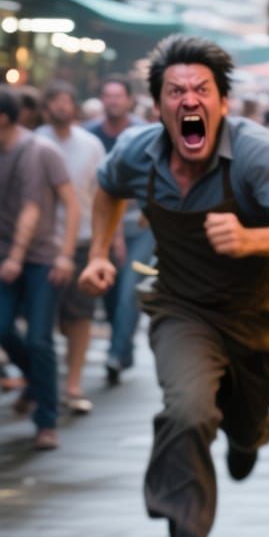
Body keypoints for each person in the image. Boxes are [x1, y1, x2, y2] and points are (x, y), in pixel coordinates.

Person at [79, 35, 269, 537]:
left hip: (256, 317)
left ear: (222, 102)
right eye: (176, 91)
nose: (188, 99)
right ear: (159, 106)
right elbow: (105, 187)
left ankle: (247, 435)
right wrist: (99, 253)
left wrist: (252, 237)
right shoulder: (138, 152)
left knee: (242, 426)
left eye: (201, 90)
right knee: (188, 411)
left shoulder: (257, 154)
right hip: (182, 310)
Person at [0, 89, 79, 450]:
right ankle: (37, 380)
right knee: (2, 327)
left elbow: (70, 205)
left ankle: (46, 421)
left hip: (41, 258)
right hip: (5, 260)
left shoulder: (40, 151)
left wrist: (65, 254)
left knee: (39, 339)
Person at [37, 82, 105, 414]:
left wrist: (109, 240)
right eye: (55, 101)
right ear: (46, 107)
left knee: (79, 316)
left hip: (82, 240)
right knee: (41, 320)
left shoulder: (91, 145)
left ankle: (73, 383)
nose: (62, 107)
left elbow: (104, 194)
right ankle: (41, 381)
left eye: (67, 101)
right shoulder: (35, 142)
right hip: (42, 244)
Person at [86, 77, 154, 385]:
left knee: (129, 289)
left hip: (140, 227)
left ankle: (116, 353)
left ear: (129, 100)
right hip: (104, 225)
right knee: (109, 292)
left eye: (118, 96)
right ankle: (122, 349)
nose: (113, 101)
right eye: (108, 95)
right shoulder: (91, 136)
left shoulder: (141, 135)